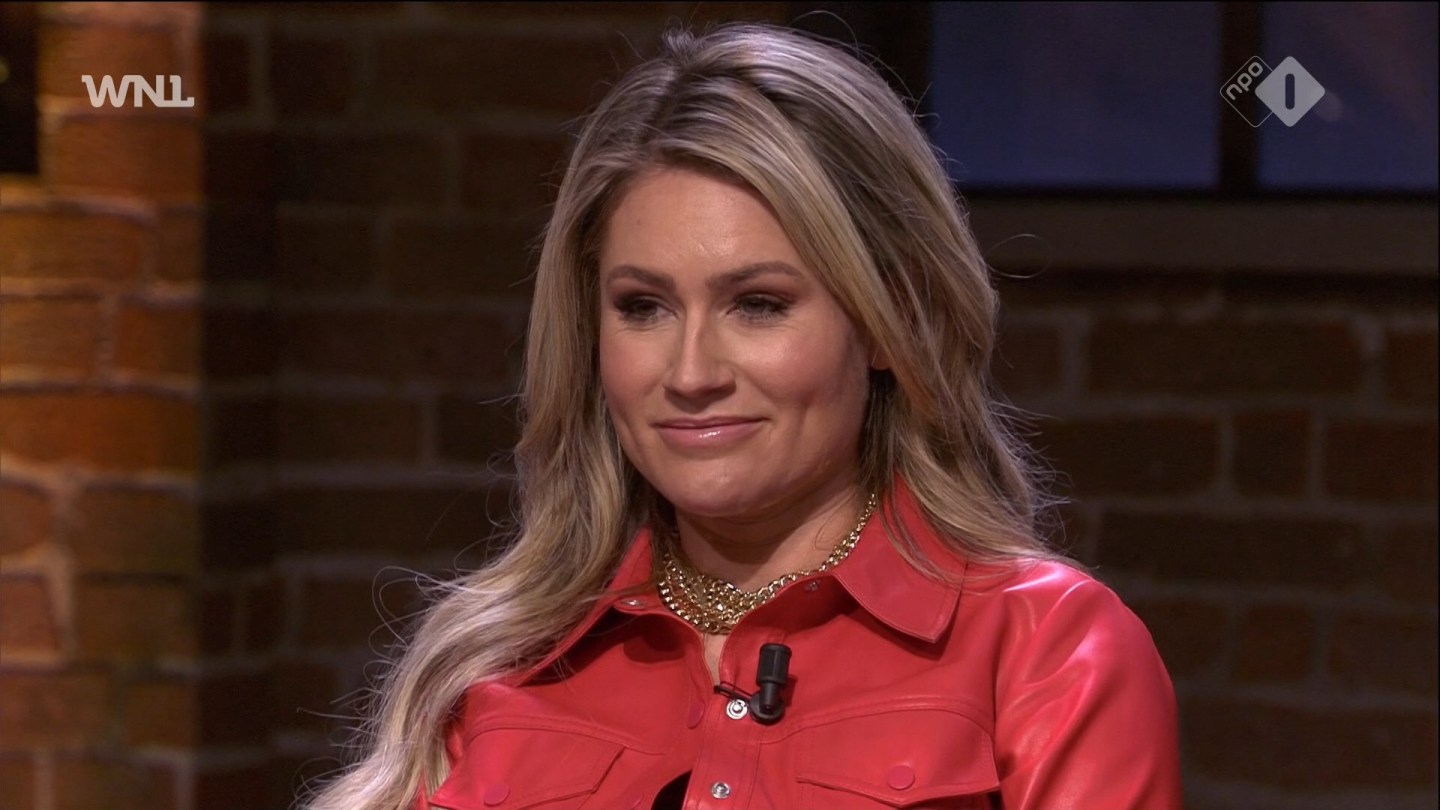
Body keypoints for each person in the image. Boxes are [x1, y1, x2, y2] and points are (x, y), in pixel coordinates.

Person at [307, 22, 1183, 810]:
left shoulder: (1045, 652)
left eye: (758, 305)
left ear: (893, 320)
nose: (691, 374)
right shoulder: (501, 665)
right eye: (644, 307)